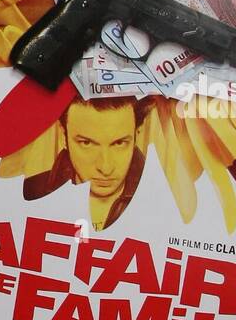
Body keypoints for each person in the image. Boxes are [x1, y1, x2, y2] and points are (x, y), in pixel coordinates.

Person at [24, 96, 151, 229]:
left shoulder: (161, 200)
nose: (105, 168)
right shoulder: (31, 192)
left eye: (119, 143)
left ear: (136, 136)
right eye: (87, 143)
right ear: (63, 136)